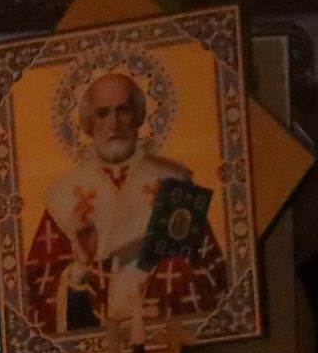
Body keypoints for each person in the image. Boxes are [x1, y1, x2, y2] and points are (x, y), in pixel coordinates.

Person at [21, 68, 229, 339]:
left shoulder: (174, 180)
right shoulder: (65, 195)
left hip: (169, 327)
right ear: (88, 123)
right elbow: (39, 287)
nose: (114, 123)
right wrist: (80, 269)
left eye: (123, 110)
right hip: (103, 333)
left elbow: (211, 269)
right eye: (103, 113)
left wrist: (171, 277)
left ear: (139, 116)